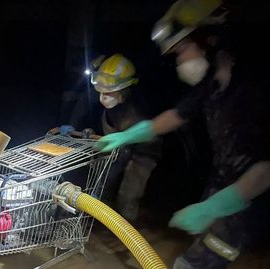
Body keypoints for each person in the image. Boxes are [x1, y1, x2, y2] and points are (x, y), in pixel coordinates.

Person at [95, 0, 270, 268]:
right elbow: (174, 117)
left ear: (210, 39)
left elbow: (265, 169)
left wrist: (214, 207)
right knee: (201, 249)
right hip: (225, 181)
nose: (179, 60)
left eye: (182, 50)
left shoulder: (252, 87)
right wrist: (125, 136)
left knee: (199, 259)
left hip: (251, 193)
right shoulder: (210, 84)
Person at [90, 53, 161, 221]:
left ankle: (126, 231)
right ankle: (98, 216)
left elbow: (151, 137)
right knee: (103, 178)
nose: (103, 97)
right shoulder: (112, 105)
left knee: (129, 192)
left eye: (109, 93)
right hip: (120, 147)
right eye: (100, 92)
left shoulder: (140, 109)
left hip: (144, 151)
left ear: (124, 90)